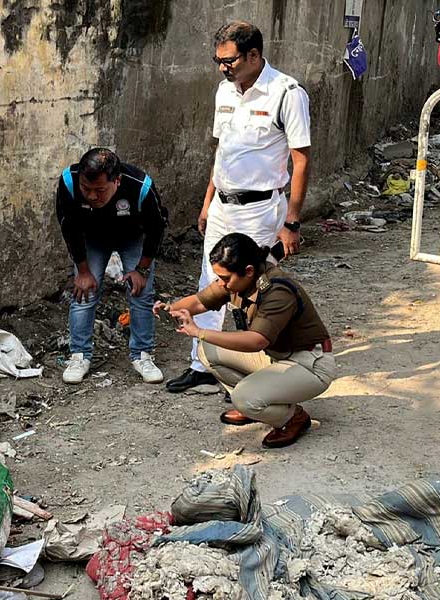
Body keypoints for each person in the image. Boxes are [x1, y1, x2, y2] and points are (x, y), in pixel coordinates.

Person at [165, 20, 312, 394]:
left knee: (252, 289)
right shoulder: (224, 92)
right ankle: (202, 366)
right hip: (222, 207)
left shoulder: (286, 93)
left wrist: (291, 221)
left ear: (254, 55)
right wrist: (207, 201)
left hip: (260, 210)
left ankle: (265, 371)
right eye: (218, 60)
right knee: (210, 281)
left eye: (229, 60)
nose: (223, 68)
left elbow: (301, 159)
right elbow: (222, 152)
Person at [158, 233, 334, 448]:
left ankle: (292, 417)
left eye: (225, 278)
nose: (222, 284)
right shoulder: (237, 280)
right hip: (276, 356)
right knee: (208, 350)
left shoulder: (277, 290)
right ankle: (258, 405)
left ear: (249, 271)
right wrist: (169, 308)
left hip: (309, 363)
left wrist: (199, 331)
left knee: (243, 397)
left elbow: (256, 341)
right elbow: (198, 302)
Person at [56, 148, 168, 384]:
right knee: (84, 292)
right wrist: (84, 271)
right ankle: (79, 355)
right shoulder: (68, 182)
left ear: (117, 181)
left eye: (100, 190)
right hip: (93, 239)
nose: (92, 197)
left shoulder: (140, 187)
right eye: (86, 189)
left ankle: (142, 354)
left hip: (132, 237)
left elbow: (156, 228)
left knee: (141, 292)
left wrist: (141, 270)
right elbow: (69, 228)